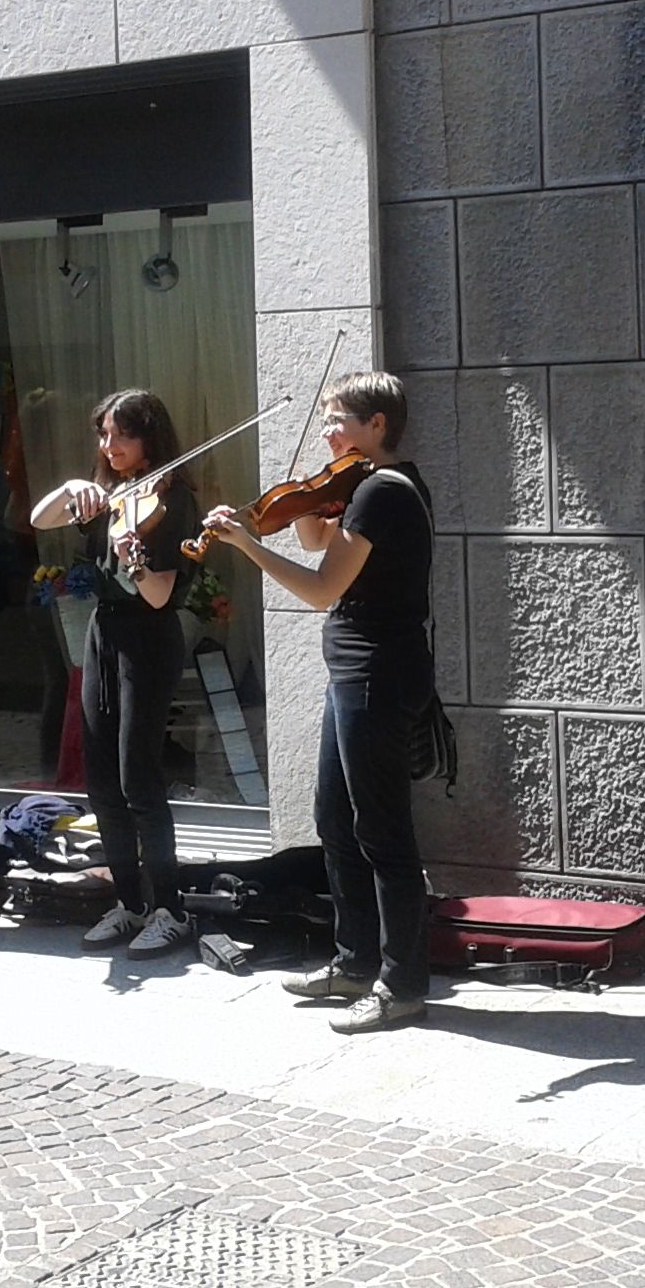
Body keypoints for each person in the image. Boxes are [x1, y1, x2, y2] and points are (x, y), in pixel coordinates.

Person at [199, 372, 433, 1032]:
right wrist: (308, 499)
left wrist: (247, 543)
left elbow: (322, 588)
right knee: (334, 818)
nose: (328, 430)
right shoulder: (360, 490)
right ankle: (355, 961)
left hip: (376, 674)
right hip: (355, 674)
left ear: (377, 426)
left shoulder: (383, 493)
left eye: (339, 419)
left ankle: (403, 984)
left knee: (383, 832)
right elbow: (311, 541)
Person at [30, 390, 204, 957]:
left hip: (148, 639)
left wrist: (135, 556)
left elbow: (158, 597)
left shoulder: (175, 500)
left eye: (121, 435)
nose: (109, 446)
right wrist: (70, 490)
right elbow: (41, 518)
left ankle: (170, 909)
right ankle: (129, 902)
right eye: (103, 436)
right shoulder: (107, 498)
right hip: (103, 633)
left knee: (138, 778)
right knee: (101, 777)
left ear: (149, 438)